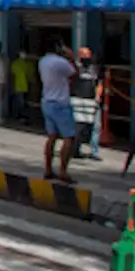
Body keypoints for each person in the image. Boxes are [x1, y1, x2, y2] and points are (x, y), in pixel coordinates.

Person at [38, 40, 79, 184]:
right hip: (61, 103)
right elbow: (75, 74)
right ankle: (63, 170)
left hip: (47, 101)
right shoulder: (61, 62)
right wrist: (71, 57)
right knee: (69, 138)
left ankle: (48, 169)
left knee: (52, 136)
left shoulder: (43, 61)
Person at [72, 47, 103, 160]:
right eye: (84, 56)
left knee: (96, 126)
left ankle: (94, 152)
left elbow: (99, 83)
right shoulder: (74, 68)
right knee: (79, 127)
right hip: (78, 101)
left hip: (92, 101)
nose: (87, 58)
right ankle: (75, 149)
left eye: (88, 55)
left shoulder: (94, 69)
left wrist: (98, 96)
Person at [10, 48, 34, 122]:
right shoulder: (23, 64)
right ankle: (19, 115)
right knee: (20, 101)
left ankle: (19, 115)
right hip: (21, 85)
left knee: (20, 101)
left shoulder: (18, 63)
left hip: (21, 85)